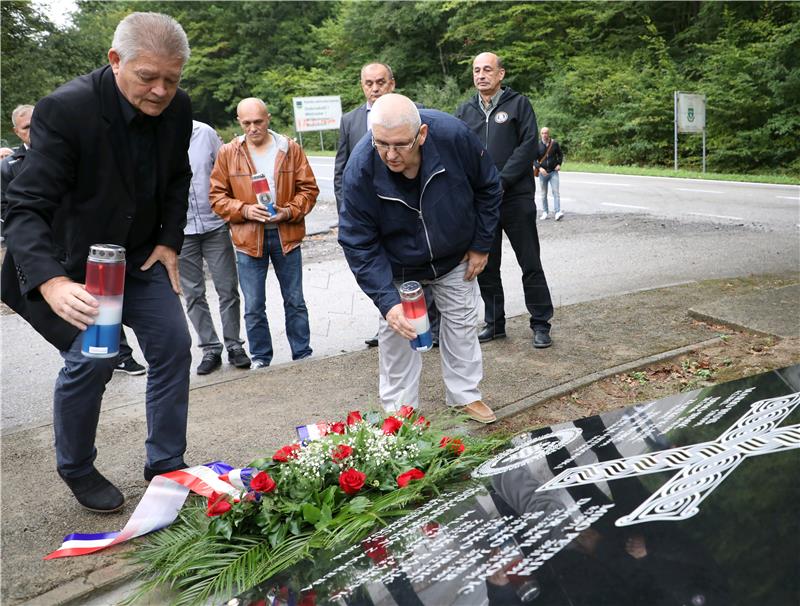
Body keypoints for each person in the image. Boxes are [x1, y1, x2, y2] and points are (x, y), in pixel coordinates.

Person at [1, 12, 194, 512]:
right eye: (147, 77)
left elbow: (177, 180)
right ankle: (77, 466)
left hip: (141, 257)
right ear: (115, 61)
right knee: (95, 357)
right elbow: (24, 208)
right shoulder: (67, 110)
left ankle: (167, 463)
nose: (159, 92)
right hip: (75, 267)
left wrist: (169, 242)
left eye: (170, 80)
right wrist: (50, 282)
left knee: (174, 345)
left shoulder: (178, 110)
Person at [338, 93, 501, 423]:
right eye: (382, 143)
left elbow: (489, 187)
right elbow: (358, 242)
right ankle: (400, 412)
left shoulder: (454, 137)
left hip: (454, 254)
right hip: (399, 264)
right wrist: (387, 301)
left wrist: (482, 244)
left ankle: (464, 396)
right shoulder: (360, 168)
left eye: (400, 145)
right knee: (398, 332)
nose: (391, 154)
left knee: (462, 324)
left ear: (422, 134)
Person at [334, 62, 439, 348]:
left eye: (380, 82)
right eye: (369, 83)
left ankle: (431, 325)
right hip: (371, 212)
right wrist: (349, 212)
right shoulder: (350, 121)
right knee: (381, 273)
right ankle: (391, 322)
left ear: (391, 84)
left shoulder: (414, 113)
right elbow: (343, 172)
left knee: (420, 271)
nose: (375, 88)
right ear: (362, 85)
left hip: (410, 208)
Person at [455, 52, 555, 349]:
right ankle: (495, 323)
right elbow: (458, 149)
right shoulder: (465, 110)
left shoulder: (518, 104)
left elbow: (528, 146)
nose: (481, 75)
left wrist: (500, 180)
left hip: (516, 198)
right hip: (482, 204)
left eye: (488, 69)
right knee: (487, 265)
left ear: (501, 74)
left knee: (530, 262)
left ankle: (540, 323)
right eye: (476, 70)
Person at [210, 98, 318, 369]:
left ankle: (302, 354)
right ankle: (261, 358)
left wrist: (288, 211)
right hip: (248, 240)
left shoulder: (289, 148)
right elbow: (216, 197)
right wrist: (244, 210)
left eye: (258, 121)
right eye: (246, 123)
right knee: (254, 304)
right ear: (239, 122)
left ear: (268, 118)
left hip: (286, 235)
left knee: (294, 300)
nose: (253, 128)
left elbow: (309, 190)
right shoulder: (228, 153)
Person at [180, 120, 250, 375]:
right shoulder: (155, 132)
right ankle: (210, 348)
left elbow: (226, 172)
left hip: (214, 224)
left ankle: (234, 345)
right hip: (180, 230)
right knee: (193, 293)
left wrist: (232, 211)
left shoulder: (204, 133)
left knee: (227, 288)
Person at [1, 104, 33, 227]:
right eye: (27, 127)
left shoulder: (64, 155)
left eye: (36, 124)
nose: (33, 130)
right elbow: (4, 208)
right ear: (16, 131)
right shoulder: (6, 167)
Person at [535, 126, 564, 221]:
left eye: (546, 133)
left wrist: (559, 164)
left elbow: (560, 154)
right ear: (540, 134)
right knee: (543, 194)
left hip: (553, 172)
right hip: (543, 174)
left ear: (549, 134)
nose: (544, 135)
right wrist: (540, 168)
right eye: (543, 133)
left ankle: (557, 212)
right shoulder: (537, 145)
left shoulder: (554, 144)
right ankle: (545, 212)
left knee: (556, 192)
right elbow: (533, 160)